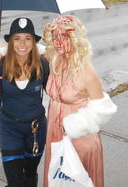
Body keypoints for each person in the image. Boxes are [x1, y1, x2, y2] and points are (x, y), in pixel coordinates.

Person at [43, 15, 117, 187]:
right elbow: (31, 49)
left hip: (79, 139)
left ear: (75, 39)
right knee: (56, 179)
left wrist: (71, 126)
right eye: (55, 37)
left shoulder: (86, 72)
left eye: (64, 36)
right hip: (54, 134)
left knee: (76, 180)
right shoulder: (56, 60)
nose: (58, 41)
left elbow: (103, 111)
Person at [0, 17, 50, 187]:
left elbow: (55, 90)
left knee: (30, 176)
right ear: (11, 42)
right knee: (15, 182)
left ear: (34, 42)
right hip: (10, 130)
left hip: (36, 131)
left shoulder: (43, 65)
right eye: (17, 38)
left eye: (28, 38)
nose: (22, 43)